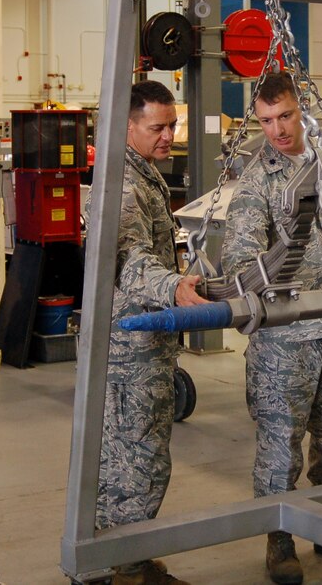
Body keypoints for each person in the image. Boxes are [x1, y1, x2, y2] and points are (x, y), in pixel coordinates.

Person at [221, 73, 322, 585]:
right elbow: (242, 259)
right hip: (283, 343)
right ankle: (280, 540)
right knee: (279, 444)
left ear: (301, 108)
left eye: (284, 116)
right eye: (266, 121)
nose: (277, 130)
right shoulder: (255, 180)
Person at [97, 80, 208, 585]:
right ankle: (128, 568)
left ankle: (122, 556)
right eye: (158, 128)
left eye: (173, 126)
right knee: (137, 460)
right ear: (128, 126)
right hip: (131, 350)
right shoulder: (125, 185)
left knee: (127, 456)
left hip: (143, 343)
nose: (168, 137)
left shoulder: (144, 177)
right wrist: (175, 287)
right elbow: (129, 258)